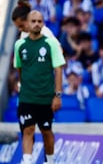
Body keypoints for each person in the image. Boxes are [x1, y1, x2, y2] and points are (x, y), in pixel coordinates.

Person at [13, 10, 66, 164]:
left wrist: (57, 95)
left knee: (46, 131)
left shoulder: (50, 44)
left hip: (45, 97)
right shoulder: (19, 45)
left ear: (43, 24)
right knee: (28, 130)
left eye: (40, 21)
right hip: (27, 97)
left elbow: (58, 69)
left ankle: (49, 160)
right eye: (33, 21)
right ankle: (27, 160)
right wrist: (23, 86)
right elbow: (20, 68)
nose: (37, 24)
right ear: (28, 24)